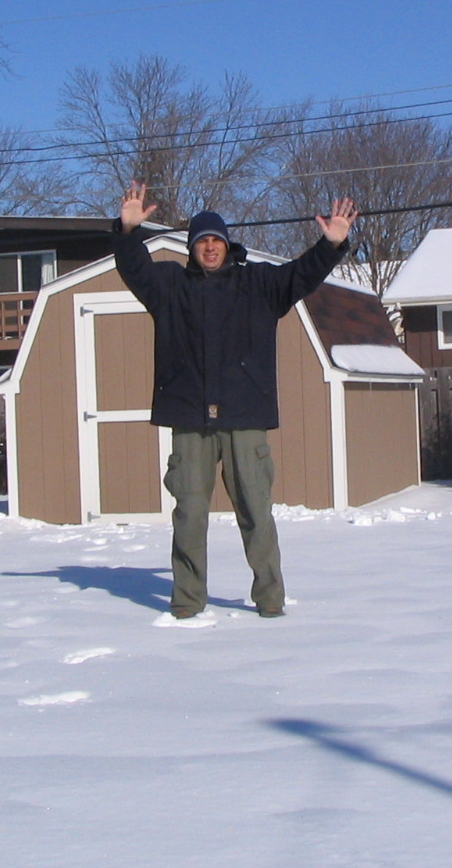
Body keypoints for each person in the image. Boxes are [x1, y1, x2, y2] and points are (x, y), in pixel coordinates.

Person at [115, 181, 358, 619]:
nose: (210, 248)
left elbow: (301, 275)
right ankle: (188, 601)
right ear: (191, 248)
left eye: (216, 241)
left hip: (245, 416)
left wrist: (332, 243)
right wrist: (128, 232)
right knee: (189, 514)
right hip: (189, 418)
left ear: (227, 245)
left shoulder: (259, 285)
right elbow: (135, 271)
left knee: (256, 513)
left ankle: (269, 599)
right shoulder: (169, 286)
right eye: (202, 241)